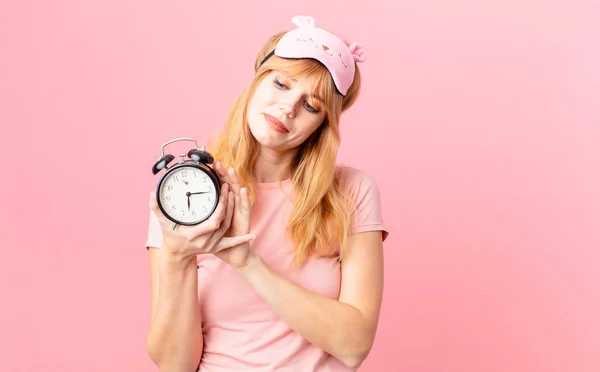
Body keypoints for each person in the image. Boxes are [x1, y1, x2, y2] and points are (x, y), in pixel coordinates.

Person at [144, 15, 389, 372]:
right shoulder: (188, 191)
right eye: (281, 84)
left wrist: (247, 262)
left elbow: (353, 346)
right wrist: (177, 258)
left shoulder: (351, 192)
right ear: (257, 80)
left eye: (311, 106)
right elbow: (174, 365)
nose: (288, 107)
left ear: (323, 126)